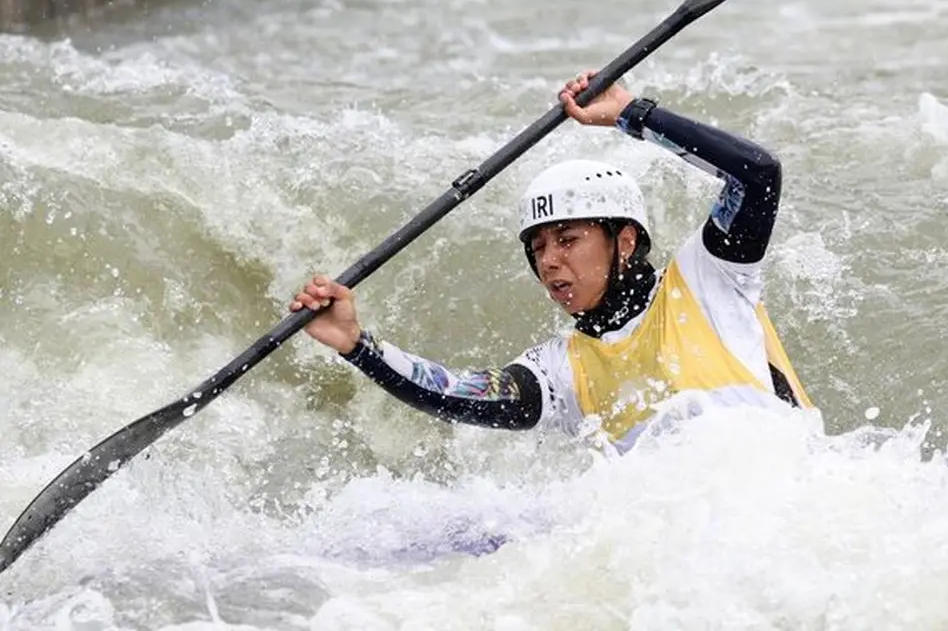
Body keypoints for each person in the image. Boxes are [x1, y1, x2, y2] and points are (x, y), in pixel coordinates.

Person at [290, 70, 815, 454]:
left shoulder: (708, 279)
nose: (550, 263)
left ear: (624, 240)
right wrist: (358, 345)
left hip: (786, 503)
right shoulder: (561, 369)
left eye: (568, 239)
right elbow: (456, 393)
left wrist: (633, 114)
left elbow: (757, 175)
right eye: (538, 248)